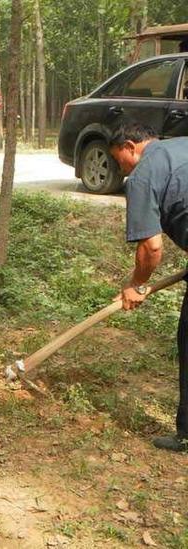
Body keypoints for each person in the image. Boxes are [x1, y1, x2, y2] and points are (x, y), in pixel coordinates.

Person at [109, 122, 188, 452]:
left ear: (130, 147)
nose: (120, 168)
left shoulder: (143, 174)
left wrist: (135, 285)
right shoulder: (182, 145)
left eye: (118, 161)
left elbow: (152, 248)